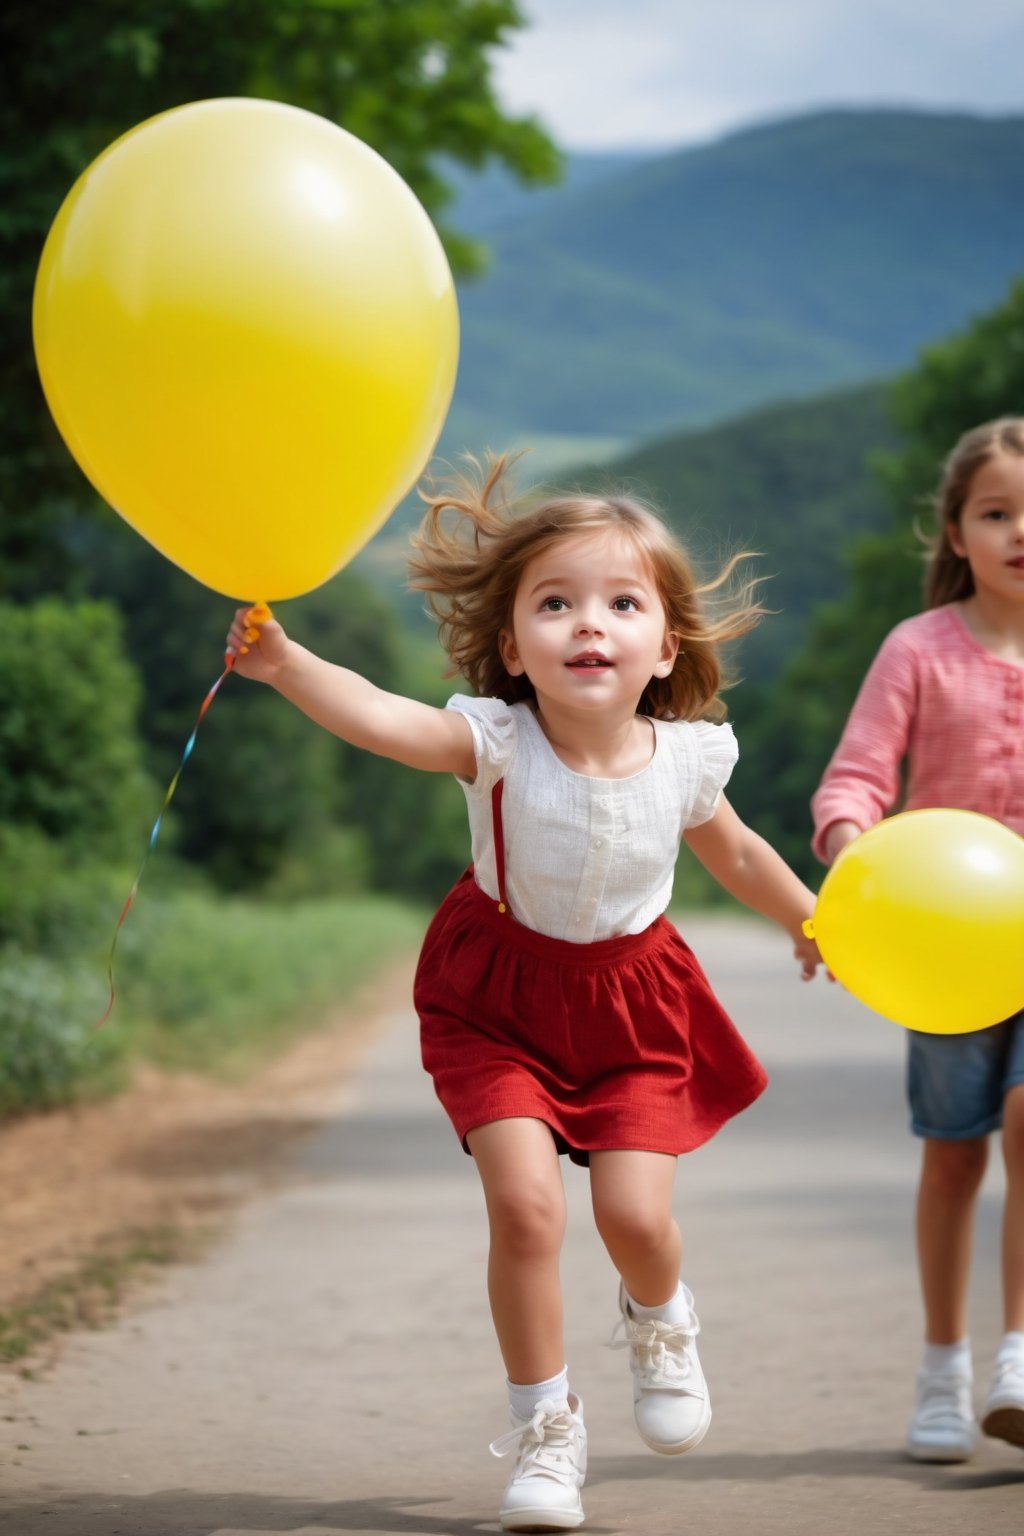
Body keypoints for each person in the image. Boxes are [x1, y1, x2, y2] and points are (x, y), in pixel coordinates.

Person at [228, 457, 823, 1530]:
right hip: (495, 998)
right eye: (555, 604)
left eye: (620, 603)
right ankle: (548, 1432)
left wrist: (805, 919)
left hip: (633, 1008)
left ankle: (660, 1319)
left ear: (665, 644)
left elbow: (735, 855)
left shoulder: (687, 759)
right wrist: (286, 664)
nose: (587, 625)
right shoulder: (496, 741)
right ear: (513, 646)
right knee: (525, 1208)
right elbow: (377, 716)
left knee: (637, 1220)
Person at [811, 417, 1024, 1465]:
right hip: (945, 947)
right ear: (957, 531)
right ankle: (943, 1366)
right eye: (997, 512)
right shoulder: (917, 649)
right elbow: (857, 776)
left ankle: (1020, 1358)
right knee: (952, 1159)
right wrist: (853, 857)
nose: (1019, 530)